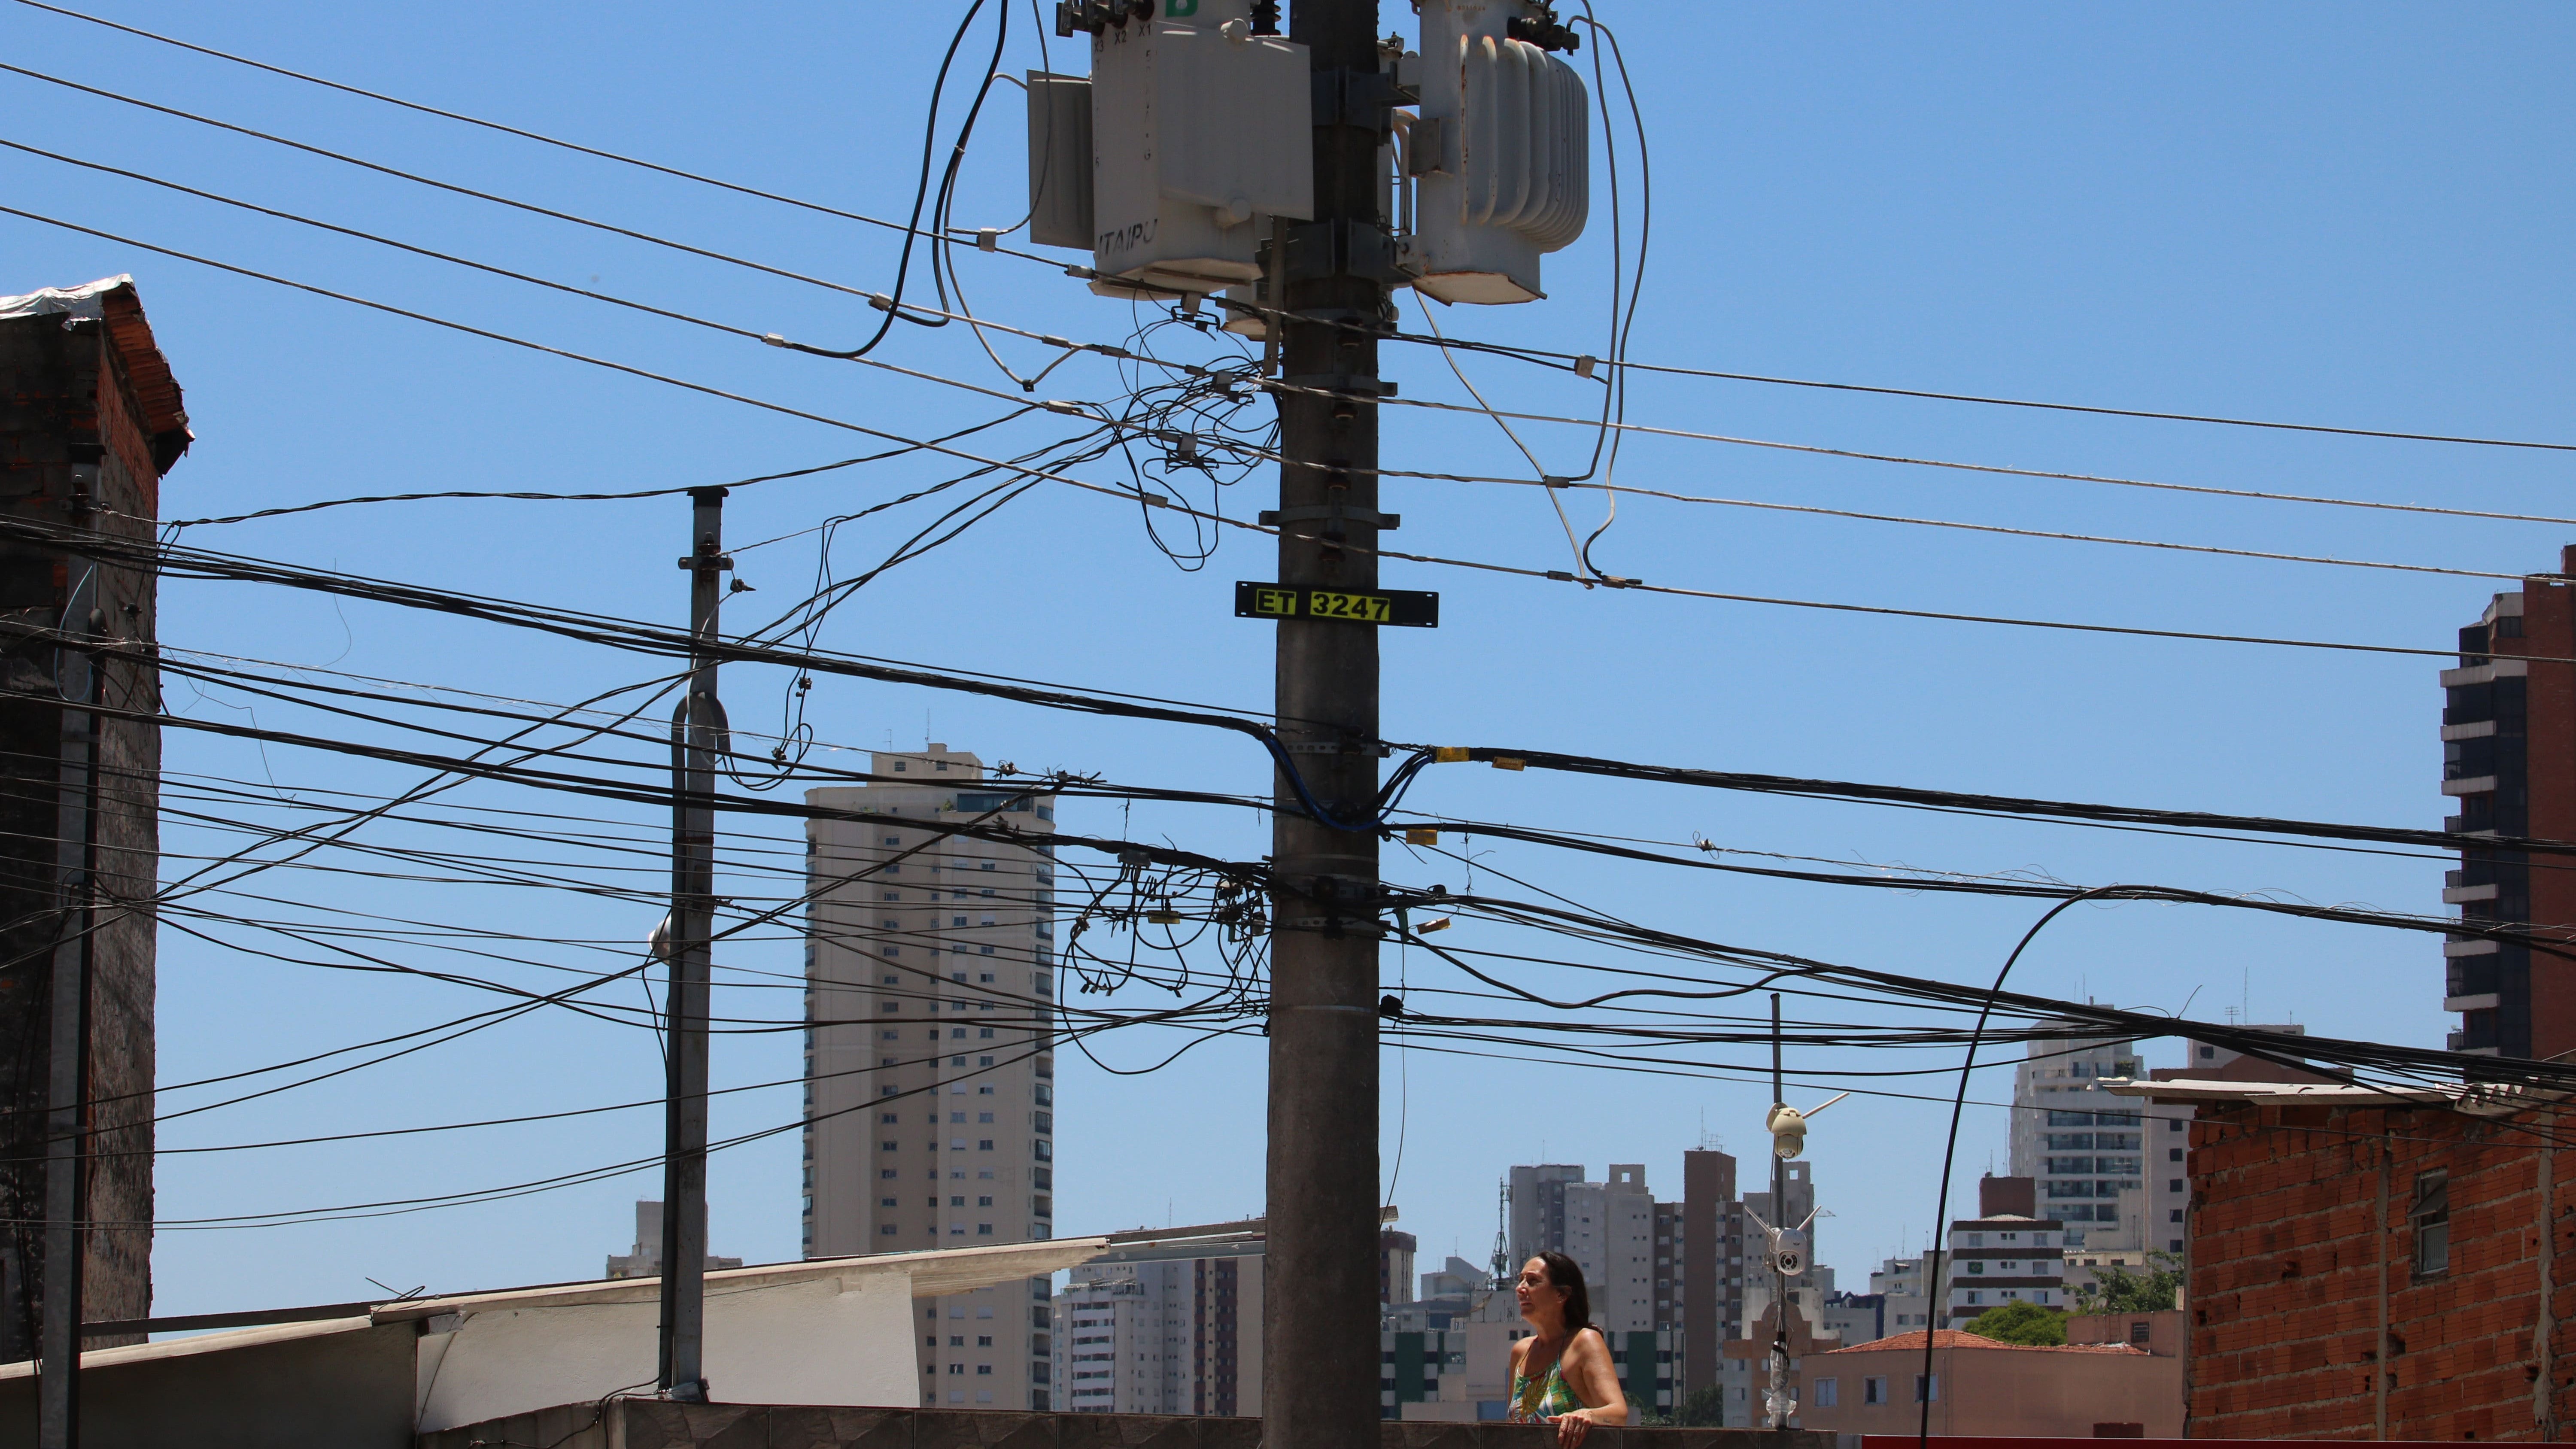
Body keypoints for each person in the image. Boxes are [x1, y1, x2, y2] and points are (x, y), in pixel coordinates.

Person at [1507, 1251, 1631, 1446]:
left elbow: (1618, 1414)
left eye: (1532, 1281)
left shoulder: (1584, 1342)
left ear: (1561, 1295)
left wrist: (1587, 1415)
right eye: (1521, 1280)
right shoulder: (1520, 1353)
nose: (1521, 1288)